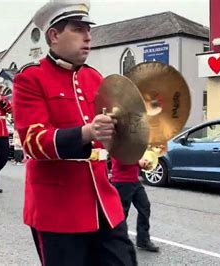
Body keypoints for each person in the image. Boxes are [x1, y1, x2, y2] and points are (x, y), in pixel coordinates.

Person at [12, 1, 136, 265]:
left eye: (88, 30)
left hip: (104, 202)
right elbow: (33, 142)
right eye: (78, 29)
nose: (88, 37)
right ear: (54, 36)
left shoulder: (96, 78)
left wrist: (143, 140)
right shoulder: (30, 79)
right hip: (58, 209)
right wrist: (87, 132)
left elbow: (112, 134)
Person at [111, 158, 160, 252]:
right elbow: (120, 160)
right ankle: (118, 242)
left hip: (134, 181)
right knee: (122, 214)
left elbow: (135, 154)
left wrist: (145, 161)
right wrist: (138, 162)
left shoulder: (132, 143)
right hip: (121, 181)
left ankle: (143, 241)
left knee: (145, 207)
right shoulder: (118, 143)